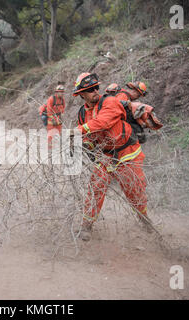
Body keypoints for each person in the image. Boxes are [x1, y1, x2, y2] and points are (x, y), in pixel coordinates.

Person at [72, 72, 151, 241]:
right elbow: (89, 136)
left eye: (95, 87)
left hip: (128, 153)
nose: (94, 91)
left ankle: (145, 220)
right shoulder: (82, 114)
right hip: (106, 156)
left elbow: (103, 122)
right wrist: (85, 145)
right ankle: (87, 225)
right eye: (89, 89)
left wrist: (77, 131)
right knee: (96, 188)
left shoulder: (110, 102)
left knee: (134, 192)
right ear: (81, 94)